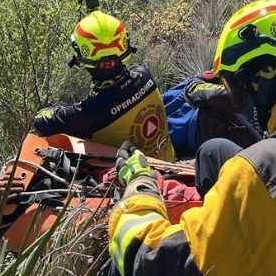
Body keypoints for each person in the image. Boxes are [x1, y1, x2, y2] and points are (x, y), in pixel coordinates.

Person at [106, 0, 276, 276]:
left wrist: (140, 185)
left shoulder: (261, 175)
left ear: (264, 74)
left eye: (233, 87)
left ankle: (228, 236)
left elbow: (152, 264)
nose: (237, 100)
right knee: (214, 150)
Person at [32, 9, 175, 162]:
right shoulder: (145, 74)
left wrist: (57, 108)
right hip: (171, 165)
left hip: (135, 180)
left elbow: (40, 121)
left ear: (80, 55)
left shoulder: (88, 112)